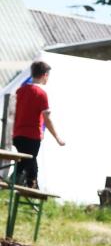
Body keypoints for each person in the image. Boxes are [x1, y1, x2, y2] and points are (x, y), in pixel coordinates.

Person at [11, 60, 65, 188]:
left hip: (17, 134)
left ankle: (29, 185)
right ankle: (29, 186)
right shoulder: (41, 94)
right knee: (28, 161)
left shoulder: (20, 91)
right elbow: (47, 118)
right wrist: (57, 137)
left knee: (26, 162)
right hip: (32, 135)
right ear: (45, 75)